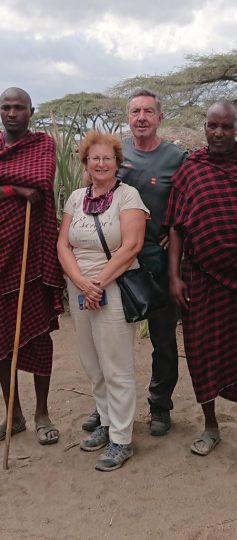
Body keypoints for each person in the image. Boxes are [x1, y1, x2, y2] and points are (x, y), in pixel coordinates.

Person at [165, 101, 237, 461]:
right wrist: (174, 277)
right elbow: (176, 227)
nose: (217, 133)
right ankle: (210, 425)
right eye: (212, 126)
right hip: (198, 277)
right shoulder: (191, 169)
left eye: (226, 127)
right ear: (205, 126)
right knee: (201, 352)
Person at [81, 89, 187, 437]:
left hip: (156, 262)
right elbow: (91, 193)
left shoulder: (176, 157)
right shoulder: (114, 153)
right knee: (109, 344)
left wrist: (175, 229)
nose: (141, 117)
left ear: (160, 116)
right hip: (112, 266)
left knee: (163, 340)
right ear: (128, 117)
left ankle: (160, 405)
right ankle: (108, 409)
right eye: (135, 111)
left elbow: (188, 200)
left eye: (148, 111)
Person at [57, 130, 148, 471]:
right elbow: (63, 244)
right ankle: (107, 423)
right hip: (81, 288)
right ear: (85, 162)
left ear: (117, 162)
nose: (100, 163)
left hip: (112, 286)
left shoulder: (129, 196)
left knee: (116, 365)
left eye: (107, 157)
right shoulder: (76, 198)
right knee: (92, 363)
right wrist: (81, 282)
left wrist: (97, 284)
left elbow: (131, 246)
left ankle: (122, 439)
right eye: (94, 158)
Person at [0, 87, 65, 446]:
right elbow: (26, 187)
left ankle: (42, 412)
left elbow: (40, 182)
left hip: (32, 256)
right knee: (0, 341)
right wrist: (14, 191)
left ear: (30, 111)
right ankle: (14, 413)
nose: (12, 113)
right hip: (0, 256)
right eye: (6, 107)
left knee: (38, 335)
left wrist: (16, 187)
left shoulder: (42, 145)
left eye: (18, 108)